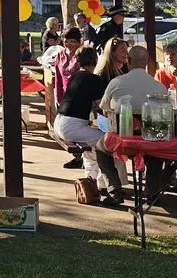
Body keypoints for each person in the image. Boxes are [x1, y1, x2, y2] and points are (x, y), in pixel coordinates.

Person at [51, 48, 129, 205]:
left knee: (93, 147)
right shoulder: (93, 79)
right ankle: (106, 185)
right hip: (72, 126)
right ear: (95, 60)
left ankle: (92, 179)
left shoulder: (76, 76)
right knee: (107, 142)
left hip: (60, 122)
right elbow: (104, 106)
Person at [48, 27, 87, 168]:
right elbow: (58, 78)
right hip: (66, 96)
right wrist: (58, 98)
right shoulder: (60, 55)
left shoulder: (83, 55)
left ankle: (83, 158)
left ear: (79, 42)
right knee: (61, 129)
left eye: (71, 41)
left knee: (78, 128)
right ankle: (78, 157)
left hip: (81, 96)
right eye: (65, 41)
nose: (68, 45)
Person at [100, 44, 166, 117]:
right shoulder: (161, 88)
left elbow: (105, 109)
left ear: (129, 60)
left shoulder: (116, 83)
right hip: (150, 127)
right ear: (147, 62)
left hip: (121, 127)